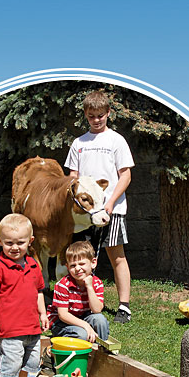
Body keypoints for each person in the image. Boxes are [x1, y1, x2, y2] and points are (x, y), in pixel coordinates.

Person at [65, 89, 135, 322]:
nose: (96, 120)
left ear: (108, 113)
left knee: (117, 257)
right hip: (85, 214)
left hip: (111, 211)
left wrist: (110, 203)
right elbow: (73, 177)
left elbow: (125, 176)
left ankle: (124, 306)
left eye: (100, 115)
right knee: (82, 258)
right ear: (85, 115)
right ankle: (82, 303)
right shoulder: (79, 143)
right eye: (92, 116)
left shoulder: (116, 140)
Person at [0, 214, 46, 377]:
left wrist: (43, 314)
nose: (15, 248)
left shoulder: (33, 265)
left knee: (28, 363)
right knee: (11, 364)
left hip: (32, 327)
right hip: (10, 329)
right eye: (9, 243)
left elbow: (39, 291)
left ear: (30, 241)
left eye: (20, 243)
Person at [49, 241, 110, 342]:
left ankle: (102, 349)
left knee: (100, 320)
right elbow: (63, 315)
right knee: (81, 334)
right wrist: (85, 325)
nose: (77, 269)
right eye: (73, 265)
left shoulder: (96, 283)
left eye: (82, 264)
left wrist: (89, 287)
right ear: (67, 267)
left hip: (83, 317)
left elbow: (97, 310)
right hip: (62, 322)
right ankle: (60, 348)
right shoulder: (63, 285)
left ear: (93, 263)